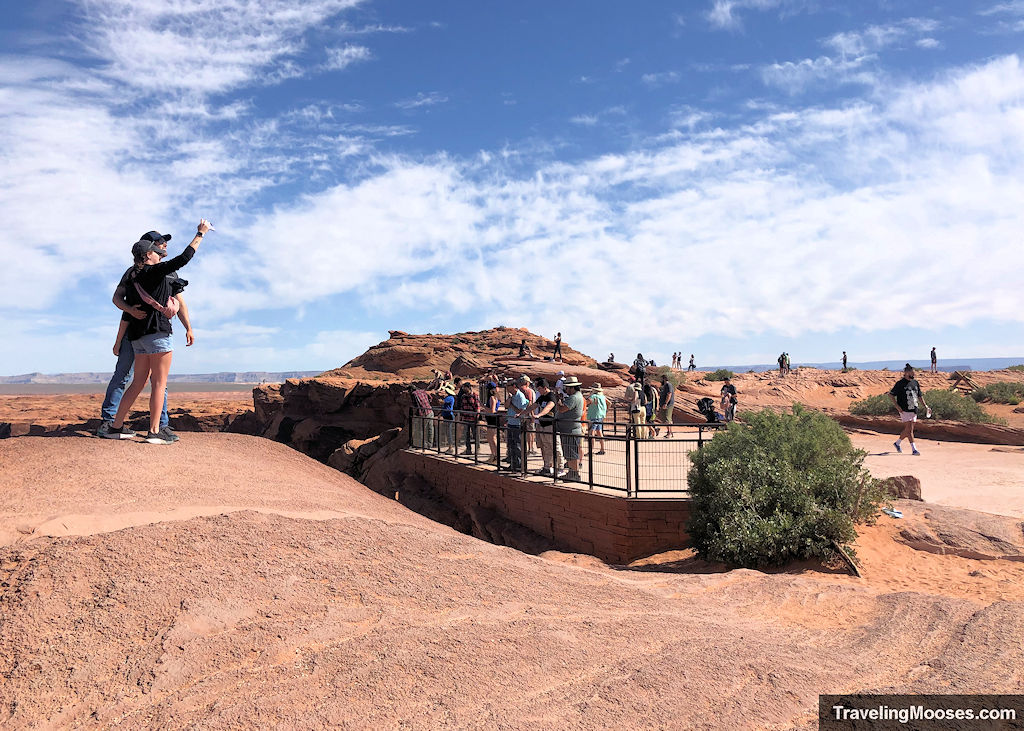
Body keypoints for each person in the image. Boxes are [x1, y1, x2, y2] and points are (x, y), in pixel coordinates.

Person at [105, 220, 212, 444]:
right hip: (157, 333)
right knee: (159, 384)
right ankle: (154, 431)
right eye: (156, 249)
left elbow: (127, 311)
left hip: (138, 338)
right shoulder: (154, 273)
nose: (160, 252)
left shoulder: (133, 276)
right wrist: (200, 234)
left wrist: (188, 326)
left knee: (137, 383)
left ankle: (115, 426)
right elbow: (184, 258)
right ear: (147, 255)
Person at [889, 364, 929, 455]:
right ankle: (914, 449)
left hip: (914, 409)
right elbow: (890, 395)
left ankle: (897, 443)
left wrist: (925, 406)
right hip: (904, 409)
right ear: (907, 373)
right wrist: (897, 406)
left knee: (908, 430)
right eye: (912, 372)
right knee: (910, 429)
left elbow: (919, 396)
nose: (914, 374)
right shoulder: (900, 384)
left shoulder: (915, 383)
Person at [531, 378, 563, 477]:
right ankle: (547, 467)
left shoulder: (551, 396)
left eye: (539, 389)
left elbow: (549, 407)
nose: (538, 391)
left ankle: (560, 467)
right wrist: (521, 413)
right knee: (546, 447)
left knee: (555, 447)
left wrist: (539, 415)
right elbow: (533, 406)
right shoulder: (541, 397)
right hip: (543, 425)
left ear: (545, 388)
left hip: (551, 426)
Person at [555, 376, 585, 480]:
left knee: (571, 453)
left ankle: (574, 474)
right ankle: (572, 473)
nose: (566, 390)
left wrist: (558, 401)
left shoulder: (574, 397)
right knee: (570, 453)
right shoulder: (577, 396)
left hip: (570, 430)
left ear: (572, 388)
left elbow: (562, 409)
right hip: (570, 429)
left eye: (567, 388)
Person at [504, 379, 529, 472]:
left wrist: (512, 406)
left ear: (514, 386)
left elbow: (521, 411)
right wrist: (509, 399)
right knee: (511, 445)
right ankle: (512, 464)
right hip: (510, 423)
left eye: (508, 386)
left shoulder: (520, 396)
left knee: (517, 446)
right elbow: (506, 406)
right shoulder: (512, 396)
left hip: (517, 424)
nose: (507, 388)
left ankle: (519, 466)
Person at [408, 384, 434, 449]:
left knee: (420, 429)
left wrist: (417, 414)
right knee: (430, 428)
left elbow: (417, 405)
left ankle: (422, 445)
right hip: (430, 411)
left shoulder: (413, 394)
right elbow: (430, 398)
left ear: (411, 390)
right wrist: (427, 404)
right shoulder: (422, 391)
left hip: (424, 414)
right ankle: (430, 445)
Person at [457, 381, 480, 454]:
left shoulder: (475, 396)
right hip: (466, 418)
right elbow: (462, 407)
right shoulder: (463, 396)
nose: (464, 389)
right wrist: (461, 417)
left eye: (465, 388)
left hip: (473, 419)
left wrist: (477, 417)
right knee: (466, 435)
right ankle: (468, 449)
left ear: (468, 388)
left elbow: (478, 407)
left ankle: (477, 449)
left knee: (475, 435)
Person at [483, 380, 502, 463]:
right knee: (490, 437)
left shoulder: (492, 398)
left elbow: (492, 411)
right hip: (491, 419)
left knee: (492, 438)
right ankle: (493, 455)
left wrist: (482, 407)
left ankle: (496, 456)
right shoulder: (496, 397)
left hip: (492, 419)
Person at [586, 382, 607, 455]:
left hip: (594, 416)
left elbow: (586, 402)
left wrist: (590, 395)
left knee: (592, 433)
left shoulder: (594, 396)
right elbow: (609, 403)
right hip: (600, 416)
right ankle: (602, 449)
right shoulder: (603, 396)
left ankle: (591, 451)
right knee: (599, 432)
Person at [518, 375, 537, 454]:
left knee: (523, 432)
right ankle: (530, 448)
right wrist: (532, 414)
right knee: (530, 431)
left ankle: (523, 448)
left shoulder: (519, 390)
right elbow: (530, 403)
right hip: (528, 414)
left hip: (521, 413)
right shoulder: (528, 390)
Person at [439, 383, 456, 453]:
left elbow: (442, 402)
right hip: (447, 415)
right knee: (447, 431)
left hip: (448, 416)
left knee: (448, 432)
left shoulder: (449, 398)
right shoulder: (449, 397)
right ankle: (449, 446)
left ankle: (451, 447)